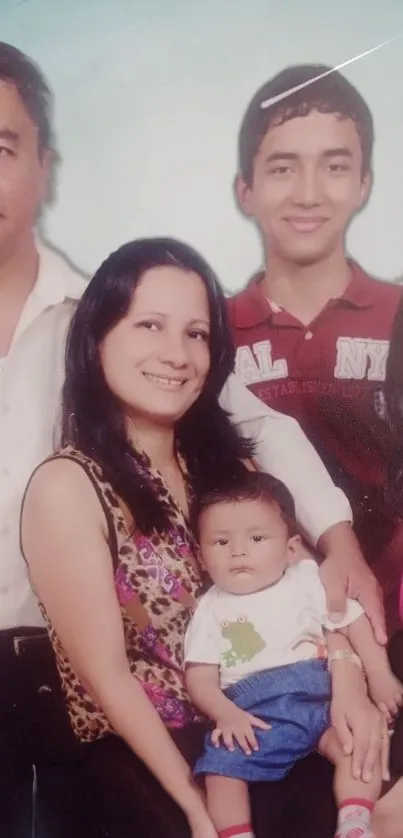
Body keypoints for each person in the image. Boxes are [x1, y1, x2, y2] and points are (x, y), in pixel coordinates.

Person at [0, 40, 384, 837]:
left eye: (196, 335)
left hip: (242, 707)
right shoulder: (72, 481)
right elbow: (108, 679)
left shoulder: (214, 450)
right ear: (99, 340)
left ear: (44, 163)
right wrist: (194, 805)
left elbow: (268, 449)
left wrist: (346, 658)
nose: (175, 353)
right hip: (132, 729)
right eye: (147, 327)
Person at [226, 64, 403, 634]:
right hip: (266, 636)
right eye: (283, 168)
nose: (308, 193)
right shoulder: (205, 334)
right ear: (245, 190)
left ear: (365, 183)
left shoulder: (396, 314)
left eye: (334, 166)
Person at [185, 472, 402, 838]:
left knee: (358, 745)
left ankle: (355, 821)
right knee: (220, 770)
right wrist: (226, 713)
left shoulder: (305, 578)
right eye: (220, 542)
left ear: (290, 547)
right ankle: (235, 833)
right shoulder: (210, 608)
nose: (238, 551)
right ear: (202, 558)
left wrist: (379, 674)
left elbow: (353, 622)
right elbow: (199, 676)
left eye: (256, 538)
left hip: (320, 696)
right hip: (253, 713)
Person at [0, 41, 87, 838]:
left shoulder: (101, 317)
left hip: (72, 674)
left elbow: (245, 422)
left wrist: (333, 528)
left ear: (44, 167)